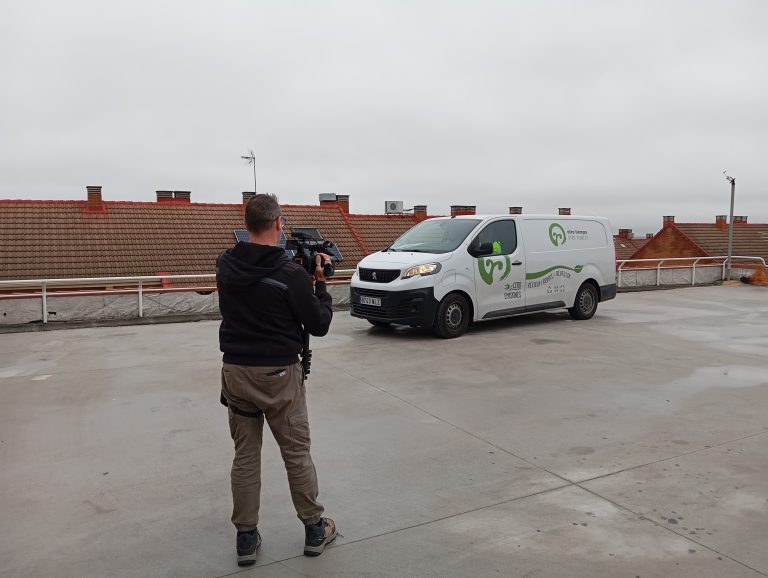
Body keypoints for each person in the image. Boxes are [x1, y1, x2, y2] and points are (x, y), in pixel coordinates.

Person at [216, 194, 337, 566]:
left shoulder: (225, 263)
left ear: (247, 223)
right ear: (279, 223)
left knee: (245, 457)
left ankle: (246, 538)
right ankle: (315, 528)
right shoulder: (289, 274)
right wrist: (319, 283)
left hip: (236, 371)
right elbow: (319, 324)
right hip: (279, 376)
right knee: (296, 453)